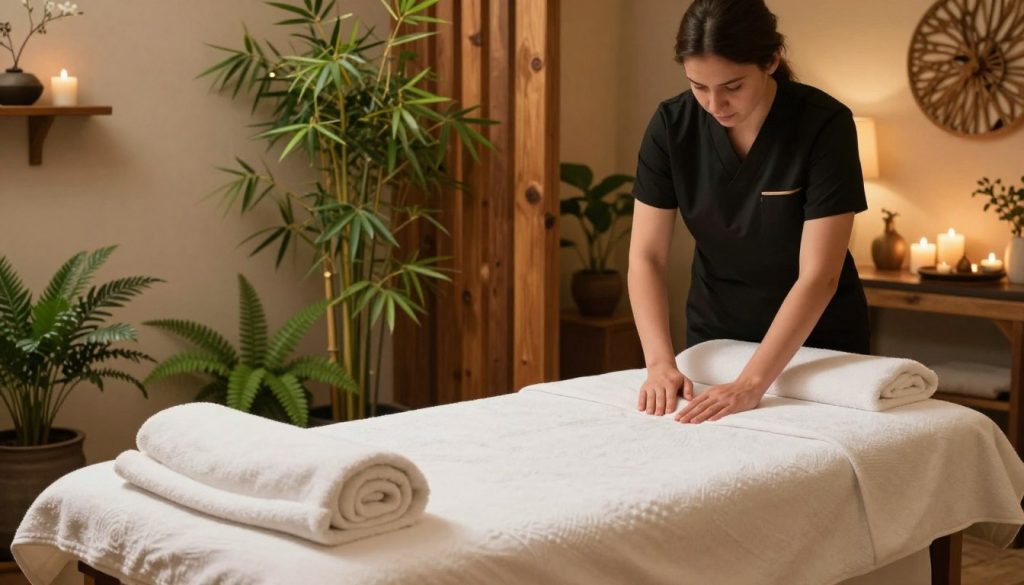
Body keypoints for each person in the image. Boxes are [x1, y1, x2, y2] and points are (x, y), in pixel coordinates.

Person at [629, 0, 870, 424]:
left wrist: (753, 383)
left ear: (772, 60)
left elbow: (820, 275)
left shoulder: (823, 125)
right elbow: (647, 256)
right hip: (716, 340)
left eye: (733, 86)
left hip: (818, 347)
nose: (714, 104)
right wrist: (659, 364)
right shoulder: (671, 127)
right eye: (698, 86)